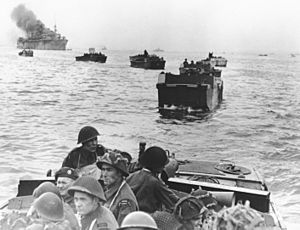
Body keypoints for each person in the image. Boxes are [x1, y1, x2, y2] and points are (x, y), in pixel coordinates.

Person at [126, 146, 179, 213]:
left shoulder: (131, 176)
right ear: (158, 166)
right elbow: (173, 200)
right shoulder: (155, 182)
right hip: (147, 218)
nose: (164, 167)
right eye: (163, 165)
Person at [97, 151, 138, 225]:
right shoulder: (108, 189)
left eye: (109, 170)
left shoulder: (125, 201)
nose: (104, 174)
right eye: (103, 169)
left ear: (119, 172)